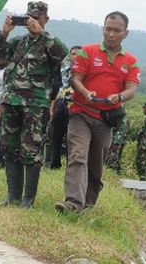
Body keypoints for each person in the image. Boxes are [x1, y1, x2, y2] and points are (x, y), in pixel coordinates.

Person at [56, 11, 140, 213]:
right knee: (77, 155)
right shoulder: (87, 51)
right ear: (103, 29)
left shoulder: (130, 61)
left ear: (125, 33)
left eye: (116, 31)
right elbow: (75, 79)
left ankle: (88, 204)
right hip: (81, 112)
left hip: (106, 119)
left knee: (96, 165)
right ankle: (72, 203)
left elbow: (131, 90)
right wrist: (86, 93)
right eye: (108, 29)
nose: (111, 34)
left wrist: (119, 96)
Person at [0, 1, 68, 208]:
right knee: (9, 147)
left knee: (30, 151)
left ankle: (28, 200)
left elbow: (62, 55)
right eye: (28, 17)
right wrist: (4, 33)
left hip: (35, 105)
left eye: (36, 17)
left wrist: (42, 33)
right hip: (12, 102)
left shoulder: (49, 42)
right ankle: (12, 196)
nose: (31, 21)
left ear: (45, 19)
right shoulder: (19, 42)